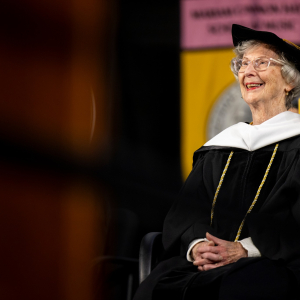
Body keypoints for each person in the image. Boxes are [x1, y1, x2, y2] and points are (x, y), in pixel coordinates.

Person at [133, 24, 300, 300]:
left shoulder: (296, 144)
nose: (248, 71)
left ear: (289, 81)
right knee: (154, 287)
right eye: (243, 64)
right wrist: (198, 245)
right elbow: (185, 212)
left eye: (261, 63)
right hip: (205, 265)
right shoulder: (220, 148)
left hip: (274, 263)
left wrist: (248, 248)